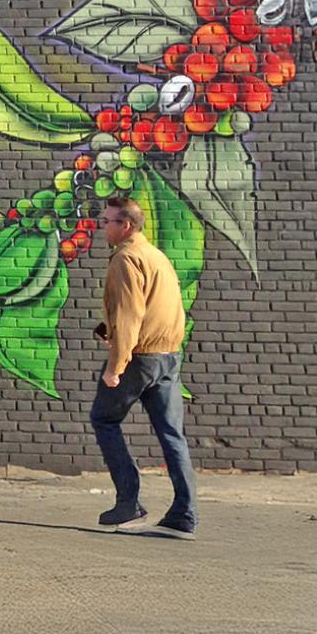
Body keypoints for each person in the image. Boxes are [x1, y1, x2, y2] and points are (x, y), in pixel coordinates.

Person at [91, 196, 198, 538]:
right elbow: (161, 307)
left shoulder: (126, 258)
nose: (101, 225)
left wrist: (115, 366)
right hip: (168, 356)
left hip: (140, 358)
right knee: (172, 435)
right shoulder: (156, 255)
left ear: (125, 226)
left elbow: (130, 314)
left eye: (106, 220)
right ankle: (184, 514)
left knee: (104, 418)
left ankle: (128, 501)